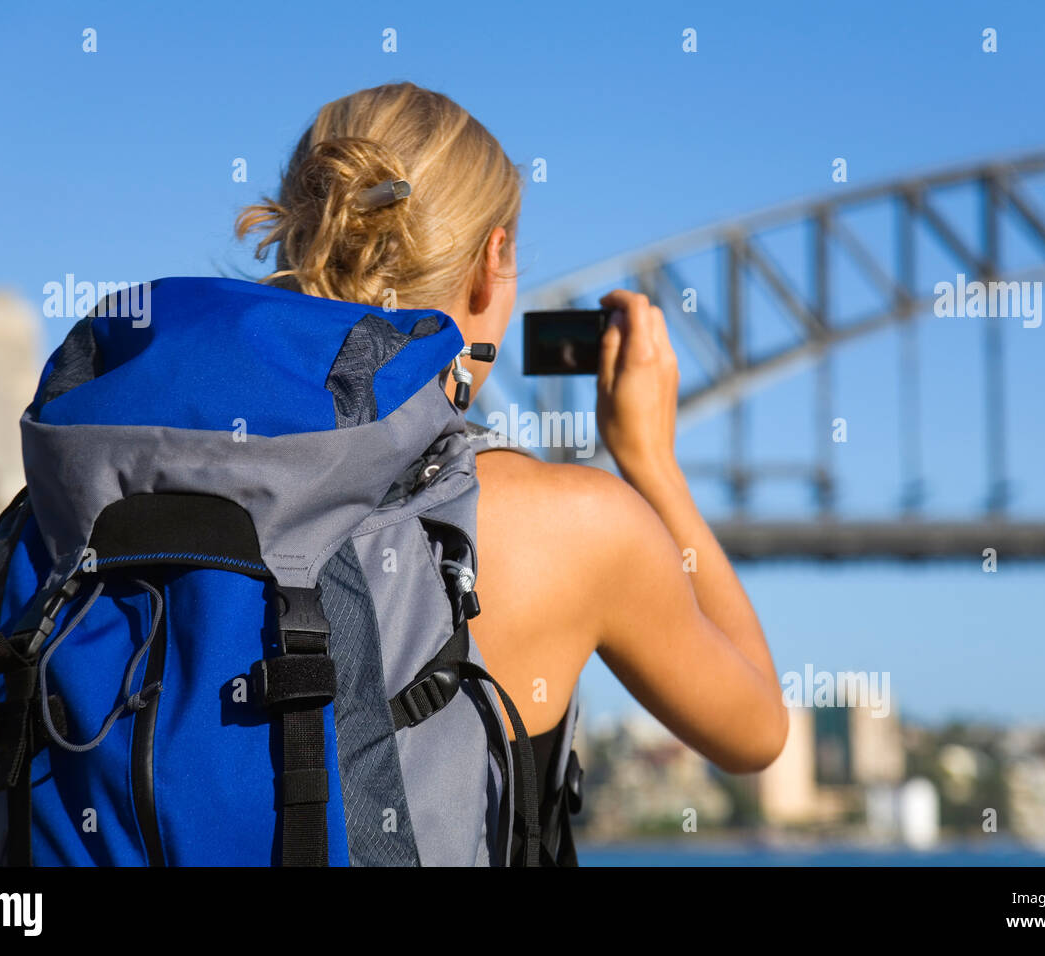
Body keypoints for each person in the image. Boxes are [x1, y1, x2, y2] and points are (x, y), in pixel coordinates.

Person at [236, 81, 788, 862]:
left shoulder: (147, 469)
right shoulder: (576, 526)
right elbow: (758, 728)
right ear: (492, 261)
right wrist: (653, 466)